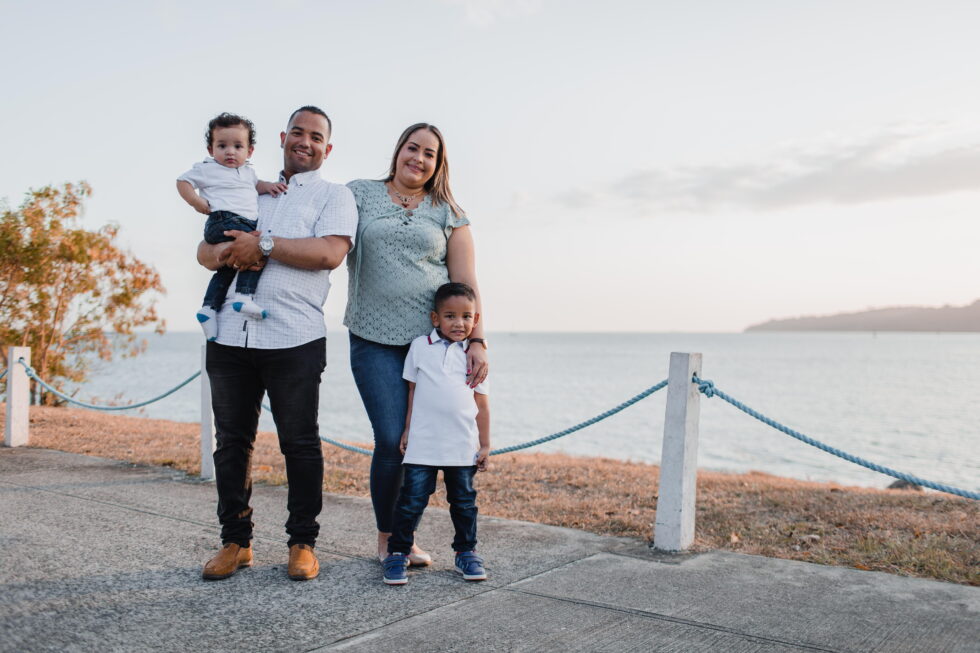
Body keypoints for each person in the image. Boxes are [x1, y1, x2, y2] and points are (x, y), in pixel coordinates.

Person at [195, 106, 358, 581]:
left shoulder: (335, 196)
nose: (305, 142)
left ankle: (303, 543)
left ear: (327, 148)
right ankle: (235, 542)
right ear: (284, 138)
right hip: (229, 335)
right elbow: (204, 251)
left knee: (300, 444)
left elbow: (329, 252)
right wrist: (228, 251)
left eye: (317, 137)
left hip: (295, 338)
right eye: (298, 133)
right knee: (231, 445)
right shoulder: (246, 188)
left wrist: (263, 245)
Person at [344, 123, 490, 564]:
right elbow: (327, 236)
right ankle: (388, 538)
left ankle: (407, 538)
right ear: (398, 151)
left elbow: (465, 282)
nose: (419, 159)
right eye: (413, 148)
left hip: (434, 347)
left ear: (437, 164)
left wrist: (477, 339)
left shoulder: (448, 211)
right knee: (392, 439)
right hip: (372, 338)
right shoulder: (359, 195)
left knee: (423, 444)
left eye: (430, 154)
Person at [381, 282, 491, 585]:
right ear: (435, 318)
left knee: (464, 503)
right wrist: (407, 429)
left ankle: (466, 553)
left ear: (476, 320)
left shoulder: (475, 356)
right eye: (451, 316)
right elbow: (413, 391)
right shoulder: (420, 347)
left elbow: (481, 402)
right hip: (423, 443)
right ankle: (397, 553)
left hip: (462, 445)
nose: (459, 323)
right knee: (411, 501)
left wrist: (485, 444)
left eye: (467, 316)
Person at [177, 113, 286, 340]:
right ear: (210, 149)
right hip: (223, 220)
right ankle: (243, 297)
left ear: (249, 151)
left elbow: (257, 185)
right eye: (222, 145)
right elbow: (182, 182)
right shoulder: (208, 168)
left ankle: (209, 309)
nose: (230, 151)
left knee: (227, 268)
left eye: (238, 146)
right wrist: (196, 202)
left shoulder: (248, 172)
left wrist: (271, 187)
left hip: (239, 223)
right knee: (253, 251)